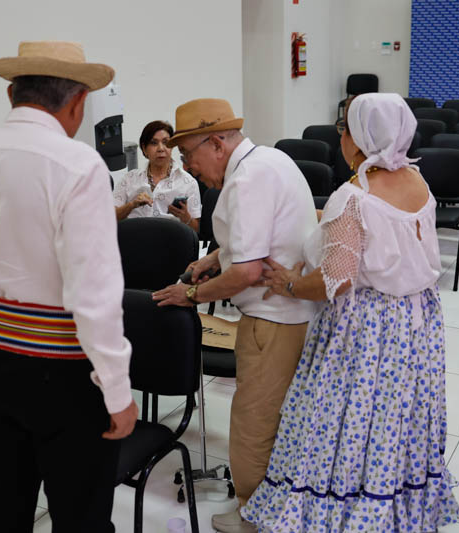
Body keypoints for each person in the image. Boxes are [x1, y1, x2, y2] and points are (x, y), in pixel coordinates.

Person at [0, 41, 137, 533]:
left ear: (11, 94)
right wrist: (117, 390)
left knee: (7, 503)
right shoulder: (79, 164)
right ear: (79, 102)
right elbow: (94, 296)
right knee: (81, 518)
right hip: (63, 372)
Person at [241, 93, 459, 531]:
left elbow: (335, 281)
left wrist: (288, 283)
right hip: (415, 321)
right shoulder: (416, 180)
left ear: (358, 139)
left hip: (367, 327)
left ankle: (340, 507)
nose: (340, 136)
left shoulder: (353, 196)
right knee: (393, 415)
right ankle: (390, 500)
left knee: (343, 416)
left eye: (344, 128)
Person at [153, 98, 317, 533]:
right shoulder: (269, 160)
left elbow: (247, 272)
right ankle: (272, 508)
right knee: (276, 419)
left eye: (188, 154)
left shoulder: (246, 180)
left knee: (253, 424)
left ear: (216, 143)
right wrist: (217, 258)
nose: (189, 167)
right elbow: (259, 241)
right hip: (292, 315)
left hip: (273, 320)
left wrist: (190, 294)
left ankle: (253, 516)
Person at [114, 120, 202, 231]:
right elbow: (110, 218)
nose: (161, 148)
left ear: (172, 146)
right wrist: (131, 205)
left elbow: (196, 230)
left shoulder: (188, 182)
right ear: (144, 148)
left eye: (165, 142)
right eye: (154, 143)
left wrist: (185, 217)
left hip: (171, 239)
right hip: (135, 238)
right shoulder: (129, 179)